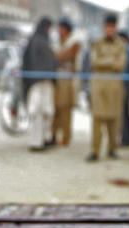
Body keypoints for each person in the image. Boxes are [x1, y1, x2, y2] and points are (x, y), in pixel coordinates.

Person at [87, 14, 127, 161]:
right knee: (97, 119)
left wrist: (105, 61)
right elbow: (94, 62)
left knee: (114, 119)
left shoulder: (121, 44)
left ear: (115, 28)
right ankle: (95, 150)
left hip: (115, 87)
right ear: (104, 27)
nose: (110, 29)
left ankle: (112, 149)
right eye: (108, 26)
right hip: (99, 86)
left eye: (112, 27)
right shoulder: (96, 43)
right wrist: (112, 60)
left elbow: (121, 64)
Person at [23, 17, 58, 151]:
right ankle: (35, 143)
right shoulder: (37, 41)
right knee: (36, 112)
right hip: (37, 84)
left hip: (45, 83)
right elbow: (31, 62)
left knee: (47, 111)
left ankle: (43, 139)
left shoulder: (42, 40)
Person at [52, 18, 81, 147]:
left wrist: (61, 56)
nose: (59, 31)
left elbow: (67, 57)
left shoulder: (74, 43)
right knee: (55, 110)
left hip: (68, 81)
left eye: (61, 28)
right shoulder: (58, 42)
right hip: (57, 79)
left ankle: (66, 137)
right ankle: (53, 135)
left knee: (65, 111)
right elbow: (55, 57)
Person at [118, 31, 129, 147]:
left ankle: (127, 138)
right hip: (127, 84)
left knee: (126, 112)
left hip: (127, 85)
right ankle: (127, 137)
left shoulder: (127, 50)